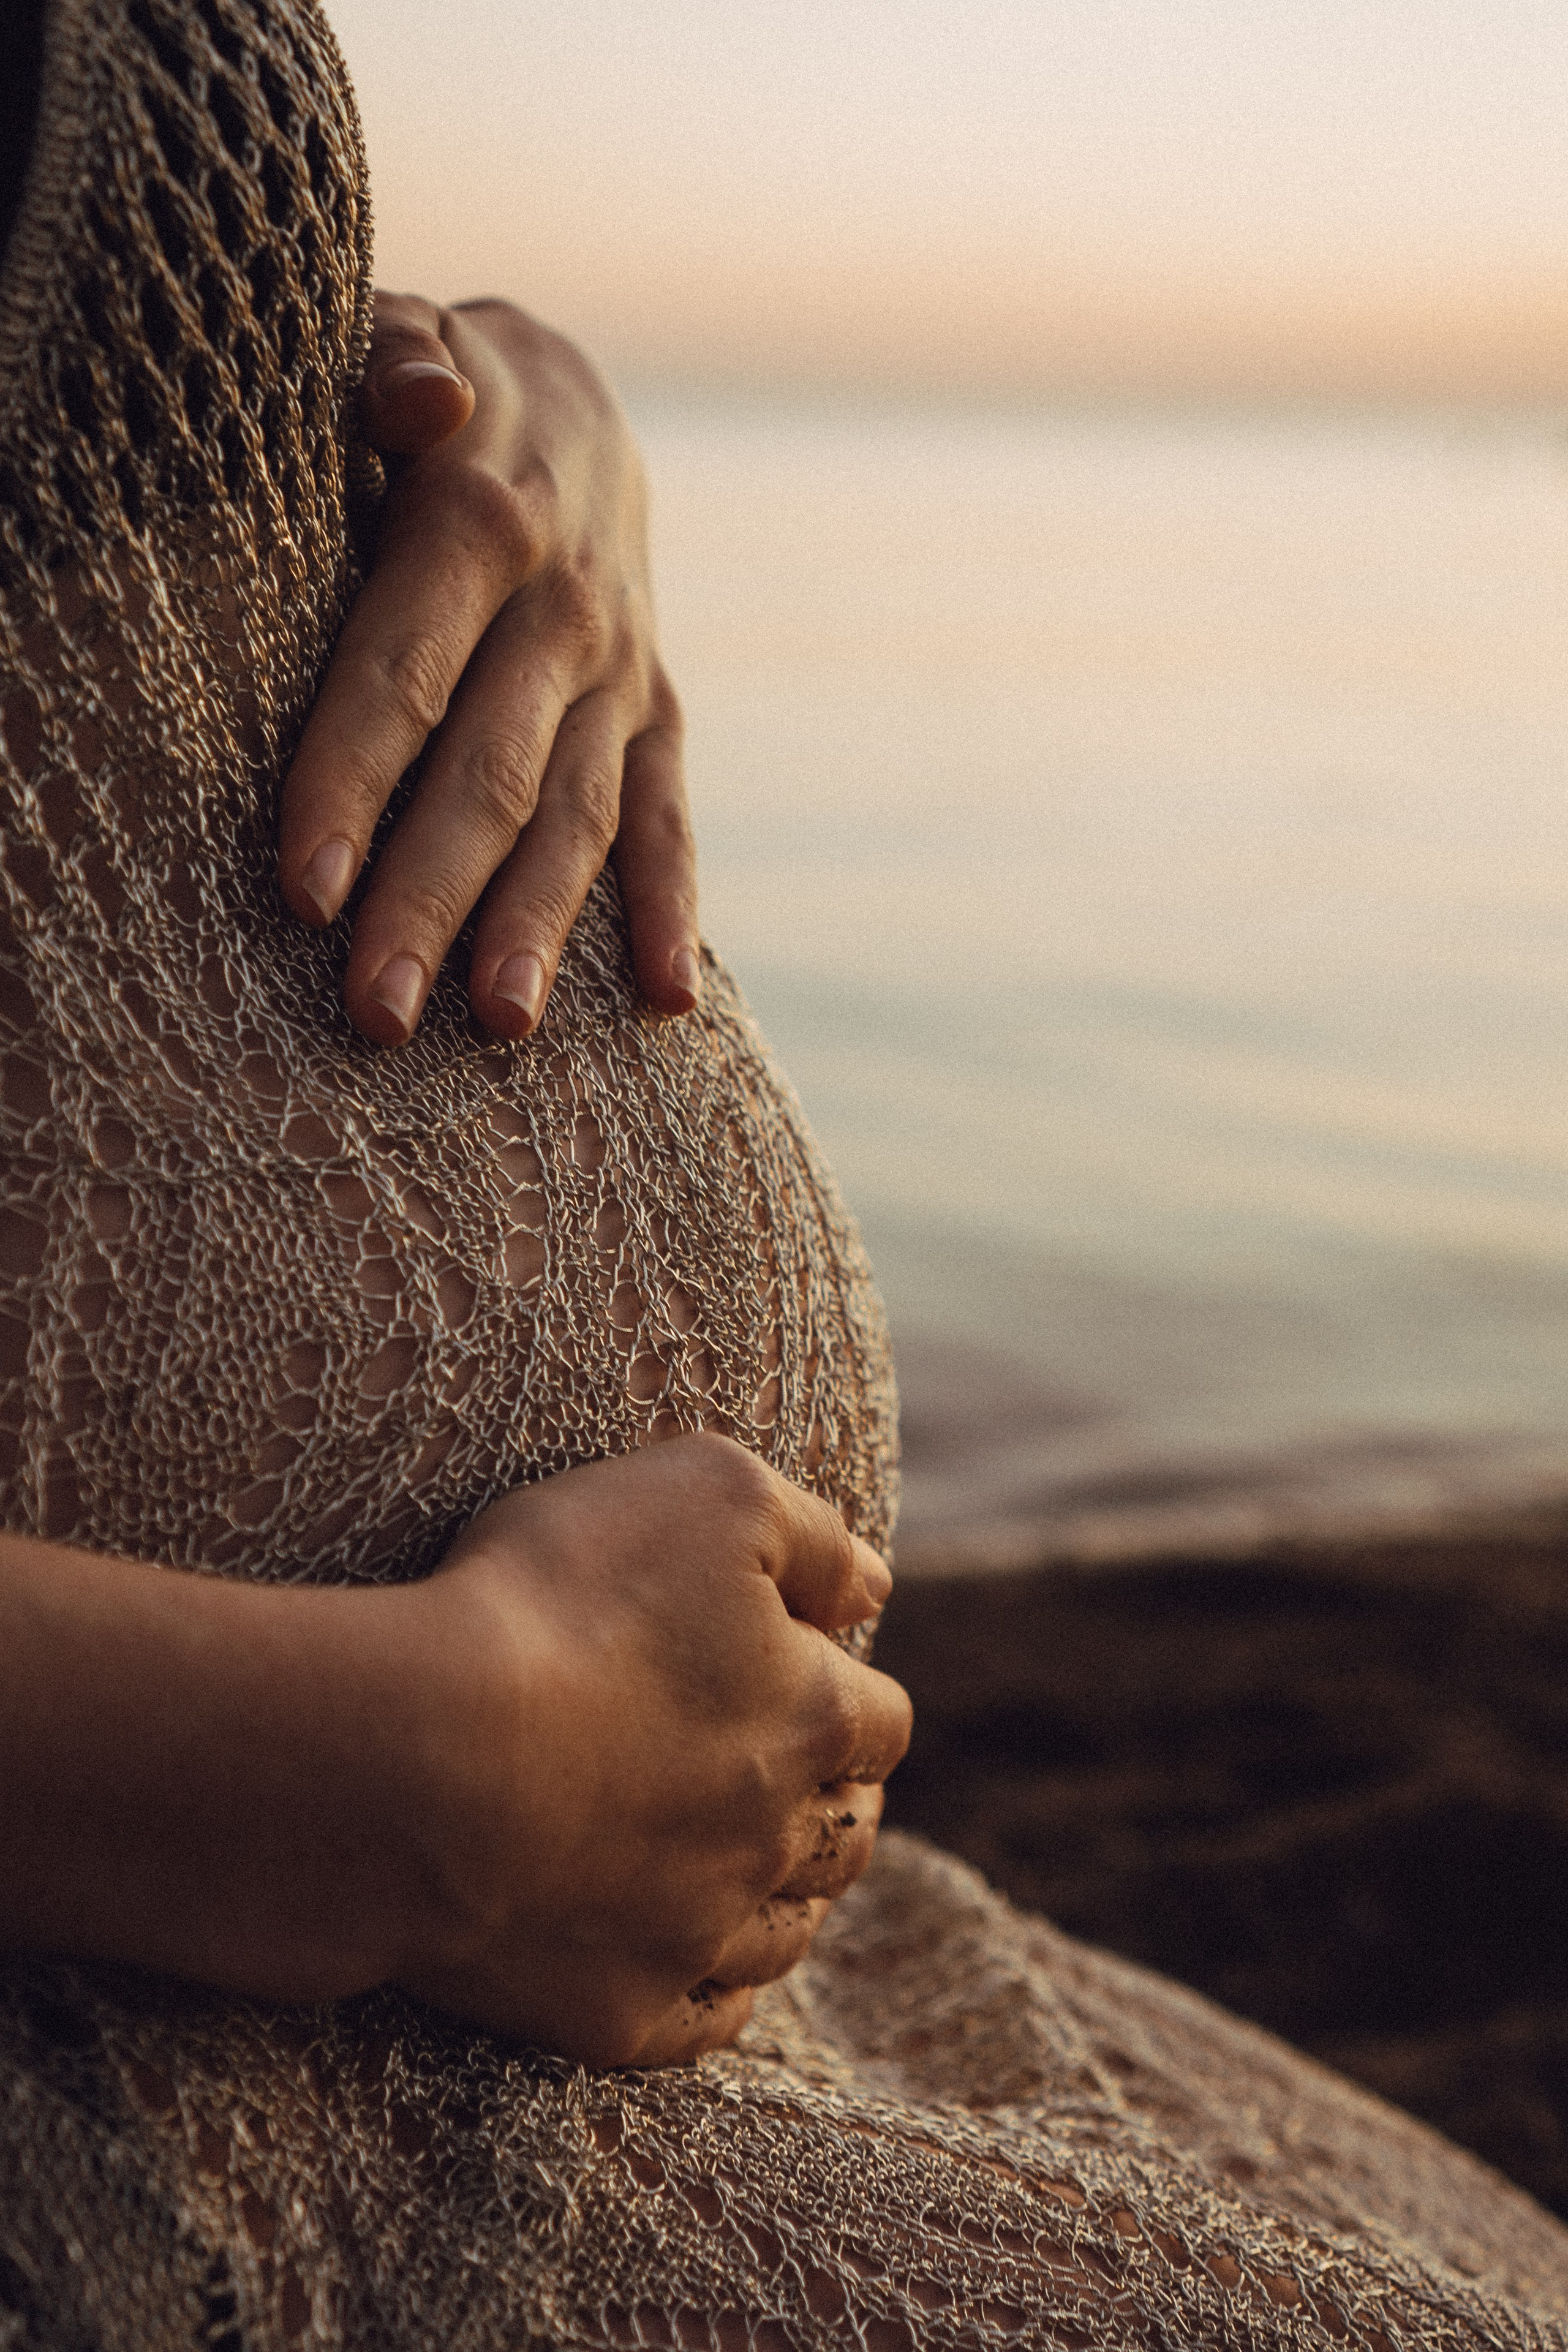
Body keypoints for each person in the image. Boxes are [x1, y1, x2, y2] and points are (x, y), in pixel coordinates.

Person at [4, 2, 1568, 2344]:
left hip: (538, 1951)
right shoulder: (382, 1823)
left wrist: (505, 414)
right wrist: (406, 1778)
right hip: (186, 2028)